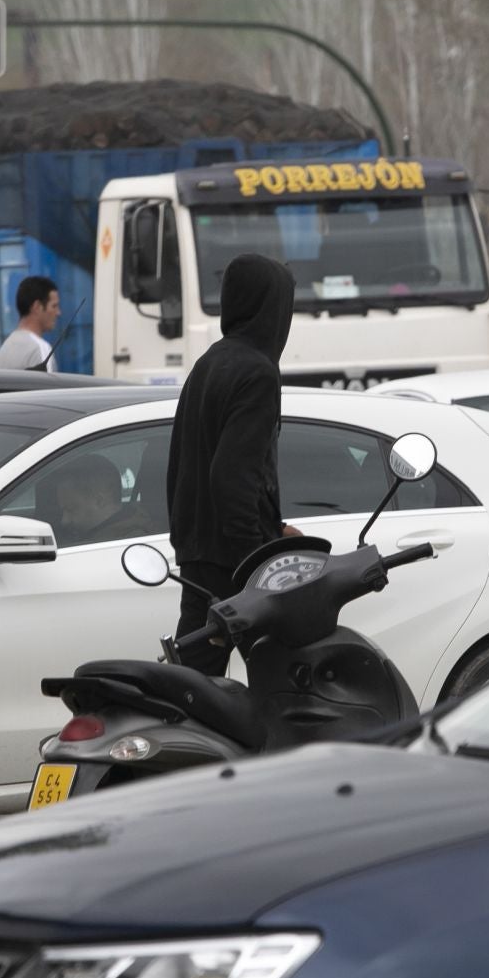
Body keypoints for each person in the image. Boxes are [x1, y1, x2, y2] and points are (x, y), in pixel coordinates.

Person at [166, 253, 298, 676]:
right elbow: (232, 478)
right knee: (288, 680)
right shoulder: (258, 373)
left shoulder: (209, 363)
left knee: (194, 685)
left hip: (199, 556)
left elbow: (186, 464)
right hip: (234, 563)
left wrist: (273, 528)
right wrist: (259, 559)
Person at [0, 277, 59, 372]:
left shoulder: (4, 349)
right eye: (54, 306)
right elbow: (48, 381)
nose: (58, 313)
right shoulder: (41, 349)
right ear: (37, 307)